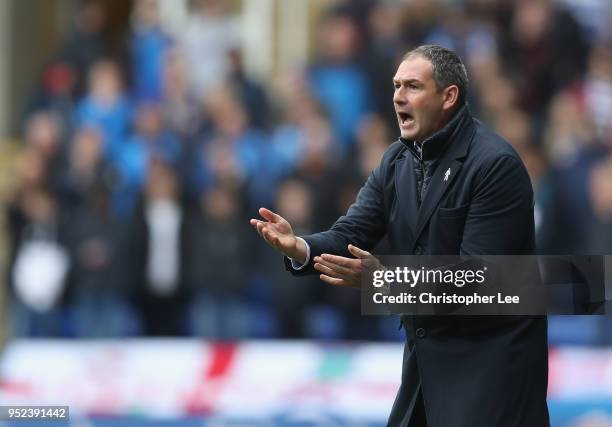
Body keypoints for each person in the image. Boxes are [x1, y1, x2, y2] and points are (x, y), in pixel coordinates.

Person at [251, 45, 549, 427]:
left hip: (489, 375)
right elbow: (352, 232)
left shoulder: (495, 166)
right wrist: (301, 247)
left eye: (412, 86)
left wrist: (384, 281)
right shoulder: (397, 160)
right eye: (395, 86)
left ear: (448, 96)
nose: (397, 97)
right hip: (425, 372)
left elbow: (479, 281)